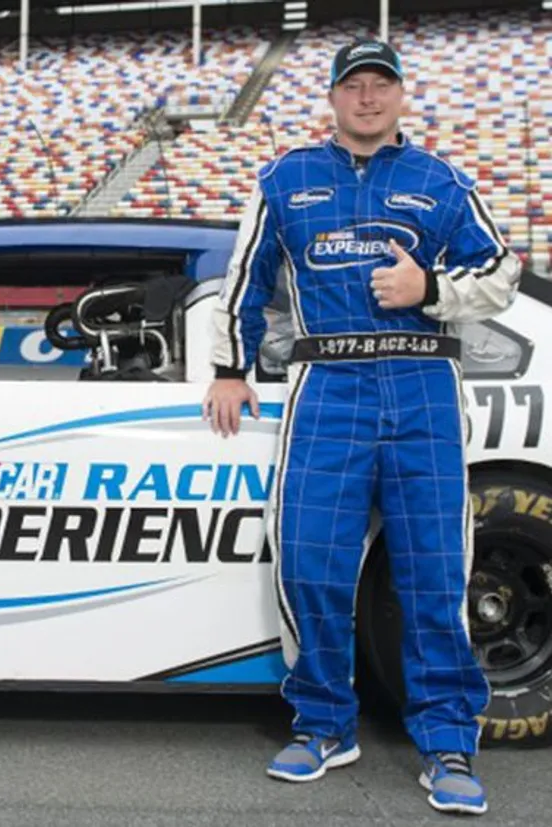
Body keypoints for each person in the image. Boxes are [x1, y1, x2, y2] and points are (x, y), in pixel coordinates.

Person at [202, 39, 521, 816]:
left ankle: (447, 740)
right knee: (311, 565)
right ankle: (323, 724)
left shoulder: (440, 181)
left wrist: (430, 285)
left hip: (422, 387)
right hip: (328, 385)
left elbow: (501, 274)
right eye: (355, 86)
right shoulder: (285, 178)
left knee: (435, 576)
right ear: (335, 98)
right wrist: (231, 368)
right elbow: (244, 280)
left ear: (402, 97)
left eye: (382, 85)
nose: (368, 98)